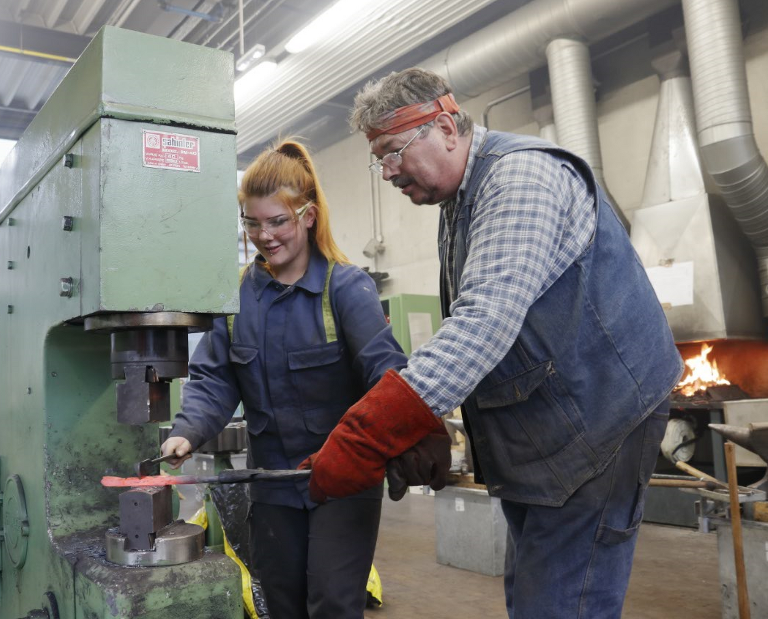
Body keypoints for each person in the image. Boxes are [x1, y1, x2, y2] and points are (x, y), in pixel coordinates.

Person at [299, 68, 684, 619]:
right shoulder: (458, 200)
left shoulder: (518, 179)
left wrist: (369, 434)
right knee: (533, 592)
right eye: (377, 158)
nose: (386, 172)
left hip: (601, 421)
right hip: (550, 429)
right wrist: (425, 423)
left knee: (561, 603)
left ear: (447, 127)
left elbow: (484, 322)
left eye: (393, 151)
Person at [161, 139, 423, 619]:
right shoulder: (236, 298)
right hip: (272, 485)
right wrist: (187, 431)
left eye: (278, 221)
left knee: (332, 603)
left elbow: (383, 371)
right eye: (253, 223)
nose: (265, 235)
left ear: (308, 215)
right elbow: (214, 380)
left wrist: (404, 434)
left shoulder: (345, 288)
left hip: (343, 482)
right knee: (280, 604)